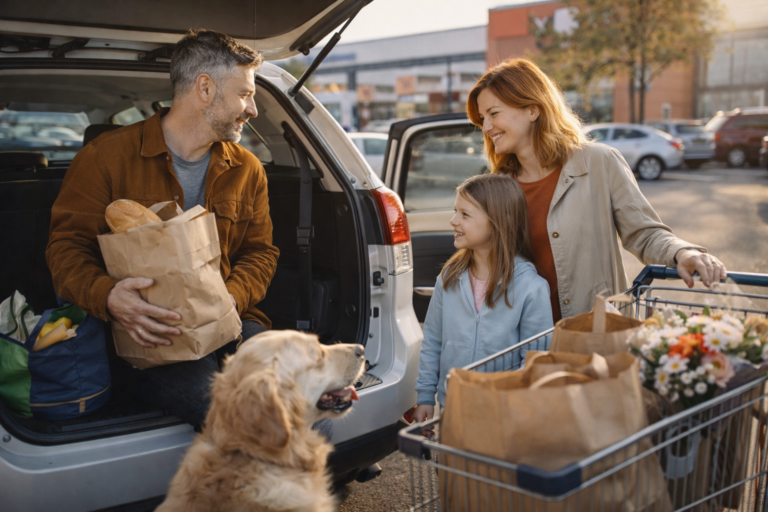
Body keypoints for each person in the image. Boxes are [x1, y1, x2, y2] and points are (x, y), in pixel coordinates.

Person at [46, 29, 280, 428]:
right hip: (148, 334)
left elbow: (261, 252)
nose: (253, 109)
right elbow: (65, 249)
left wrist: (227, 298)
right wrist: (109, 296)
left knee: (290, 399)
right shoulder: (104, 158)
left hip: (233, 322)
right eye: (244, 94)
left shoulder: (247, 168)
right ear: (204, 88)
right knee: (231, 416)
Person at [466, 58, 727, 323]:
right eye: (482, 118)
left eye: (494, 113)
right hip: (524, 340)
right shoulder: (497, 186)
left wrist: (683, 252)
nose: (486, 128)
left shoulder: (599, 163)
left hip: (595, 333)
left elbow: (644, 233)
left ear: (532, 110)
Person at [413, 174, 554, 423]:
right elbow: (433, 340)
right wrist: (425, 396)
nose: (453, 220)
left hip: (503, 414)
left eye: (465, 215)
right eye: (455, 211)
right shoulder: (449, 276)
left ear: (498, 221)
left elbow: (534, 362)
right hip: (453, 408)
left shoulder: (531, 288)